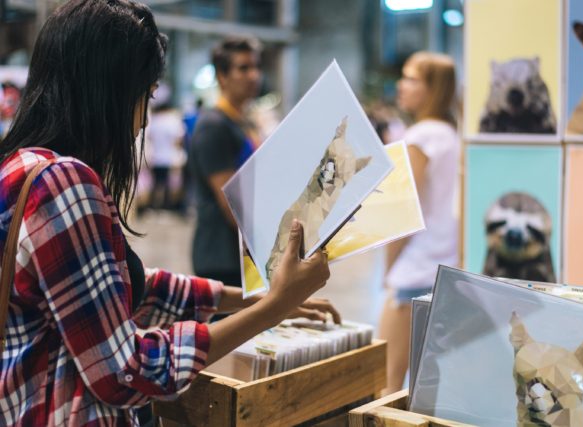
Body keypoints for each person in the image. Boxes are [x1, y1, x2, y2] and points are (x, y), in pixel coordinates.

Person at [0, 1, 338, 425]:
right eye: (147, 95)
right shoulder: (62, 184)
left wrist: (260, 299)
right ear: (112, 91)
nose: (142, 120)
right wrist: (272, 308)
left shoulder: (22, 167)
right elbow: (126, 371)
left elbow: (118, 289)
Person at [378, 52, 461, 394]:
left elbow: (402, 211)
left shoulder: (422, 136)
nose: (402, 85)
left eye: (412, 78)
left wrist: (389, 267)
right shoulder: (448, 134)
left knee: (386, 385)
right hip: (440, 262)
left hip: (415, 269)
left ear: (434, 88)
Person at [189, 36, 263, 286]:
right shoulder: (213, 126)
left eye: (255, 67)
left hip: (241, 252)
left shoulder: (242, 123)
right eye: (243, 68)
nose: (253, 75)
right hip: (221, 256)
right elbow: (230, 201)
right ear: (222, 76)